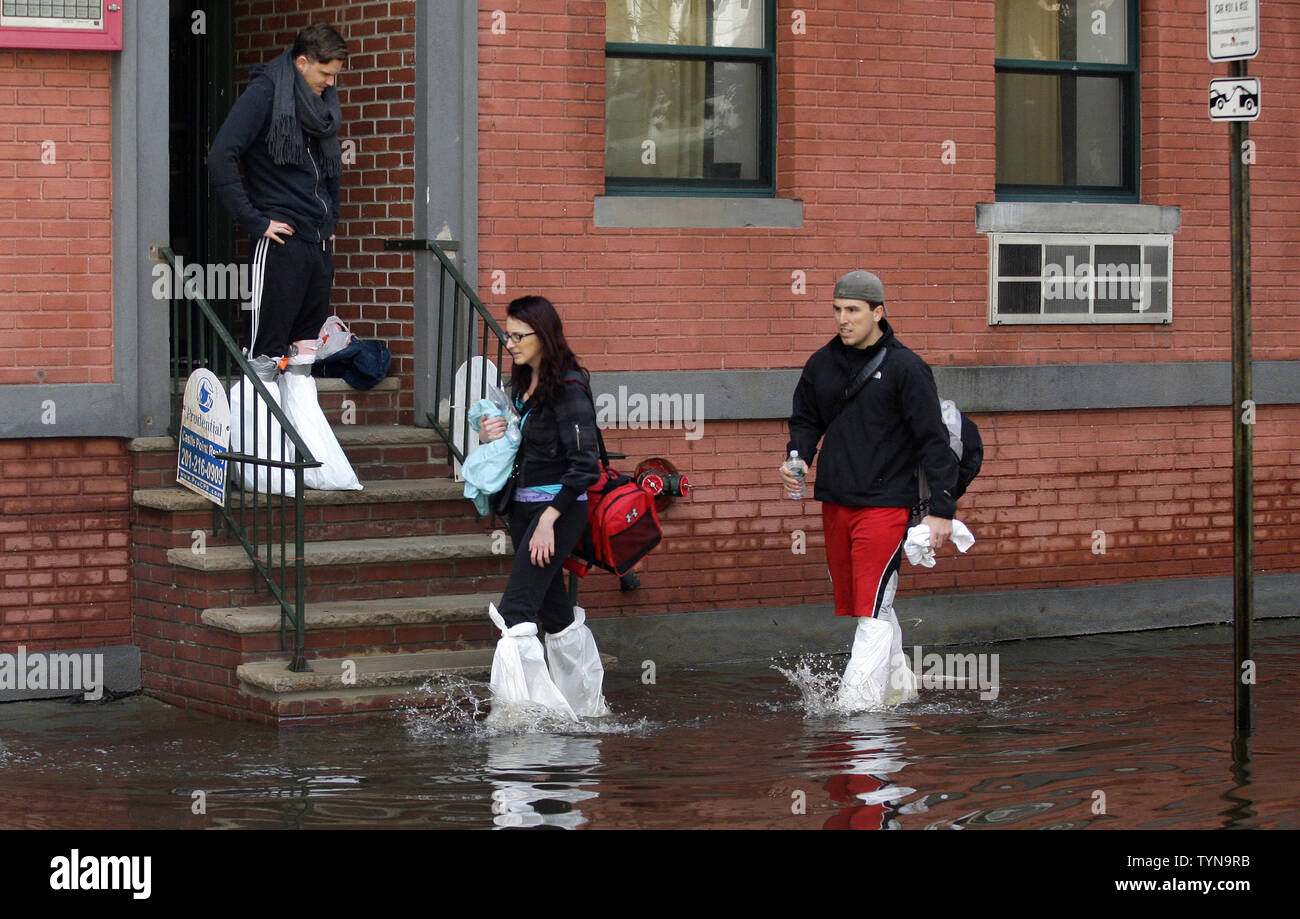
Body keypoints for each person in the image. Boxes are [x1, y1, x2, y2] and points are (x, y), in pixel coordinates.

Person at [782, 270, 960, 712]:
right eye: (838, 310)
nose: (843, 320)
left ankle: (853, 710)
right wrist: (798, 454)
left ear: (878, 313)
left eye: (853, 311)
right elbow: (806, 419)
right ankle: (901, 686)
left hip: (886, 504)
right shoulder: (821, 363)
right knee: (869, 601)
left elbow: (932, 440)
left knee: (871, 605)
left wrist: (942, 509)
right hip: (836, 500)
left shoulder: (906, 368)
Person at [477, 295, 610, 720]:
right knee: (553, 612)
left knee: (515, 612)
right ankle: (584, 708)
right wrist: (489, 435)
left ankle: (520, 719)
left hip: (557, 513)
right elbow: (521, 450)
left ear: (544, 335)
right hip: (522, 510)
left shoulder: (569, 388)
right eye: (507, 334)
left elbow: (585, 465)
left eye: (518, 336)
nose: (510, 343)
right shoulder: (524, 386)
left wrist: (549, 520)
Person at [208, 23, 348, 361]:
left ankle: (299, 415)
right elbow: (221, 155)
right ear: (302, 62)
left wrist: (331, 221)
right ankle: (256, 413)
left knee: (305, 353)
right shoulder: (266, 92)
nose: (331, 82)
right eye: (325, 73)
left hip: (316, 240)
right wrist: (255, 221)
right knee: (266, 352)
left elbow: (329, 169)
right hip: (280, 240)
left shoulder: (321, 103)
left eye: (335, 75)